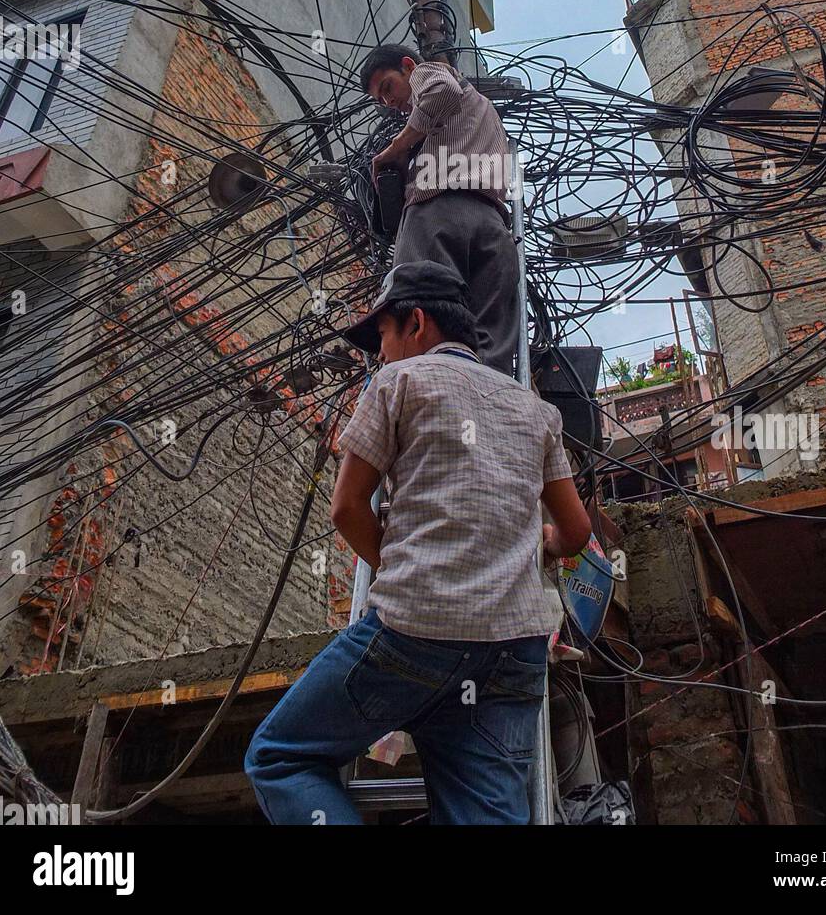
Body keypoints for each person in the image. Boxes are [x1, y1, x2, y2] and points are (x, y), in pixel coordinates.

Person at [244, 261, 591, 825]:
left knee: (280, 757)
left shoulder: (397, 383)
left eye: (382, 336)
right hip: (514, 645)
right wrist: (535, 543)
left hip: (416, 630)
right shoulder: (538, 412)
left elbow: (347, 507)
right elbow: (575, 533)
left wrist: (404, 566)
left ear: (418, 323)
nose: (379, 354)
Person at [359, 43, 520, 376]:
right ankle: (488, 402)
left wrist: (394, 150)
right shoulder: (482, 109)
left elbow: (439, 91)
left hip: (438, 214)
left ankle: (425, 395)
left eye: (387, 87)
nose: (389, 102)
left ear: (407, 66)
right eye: (380, 100)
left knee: (419, 309)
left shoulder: (428, 73)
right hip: (492, 224)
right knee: (491, 341)